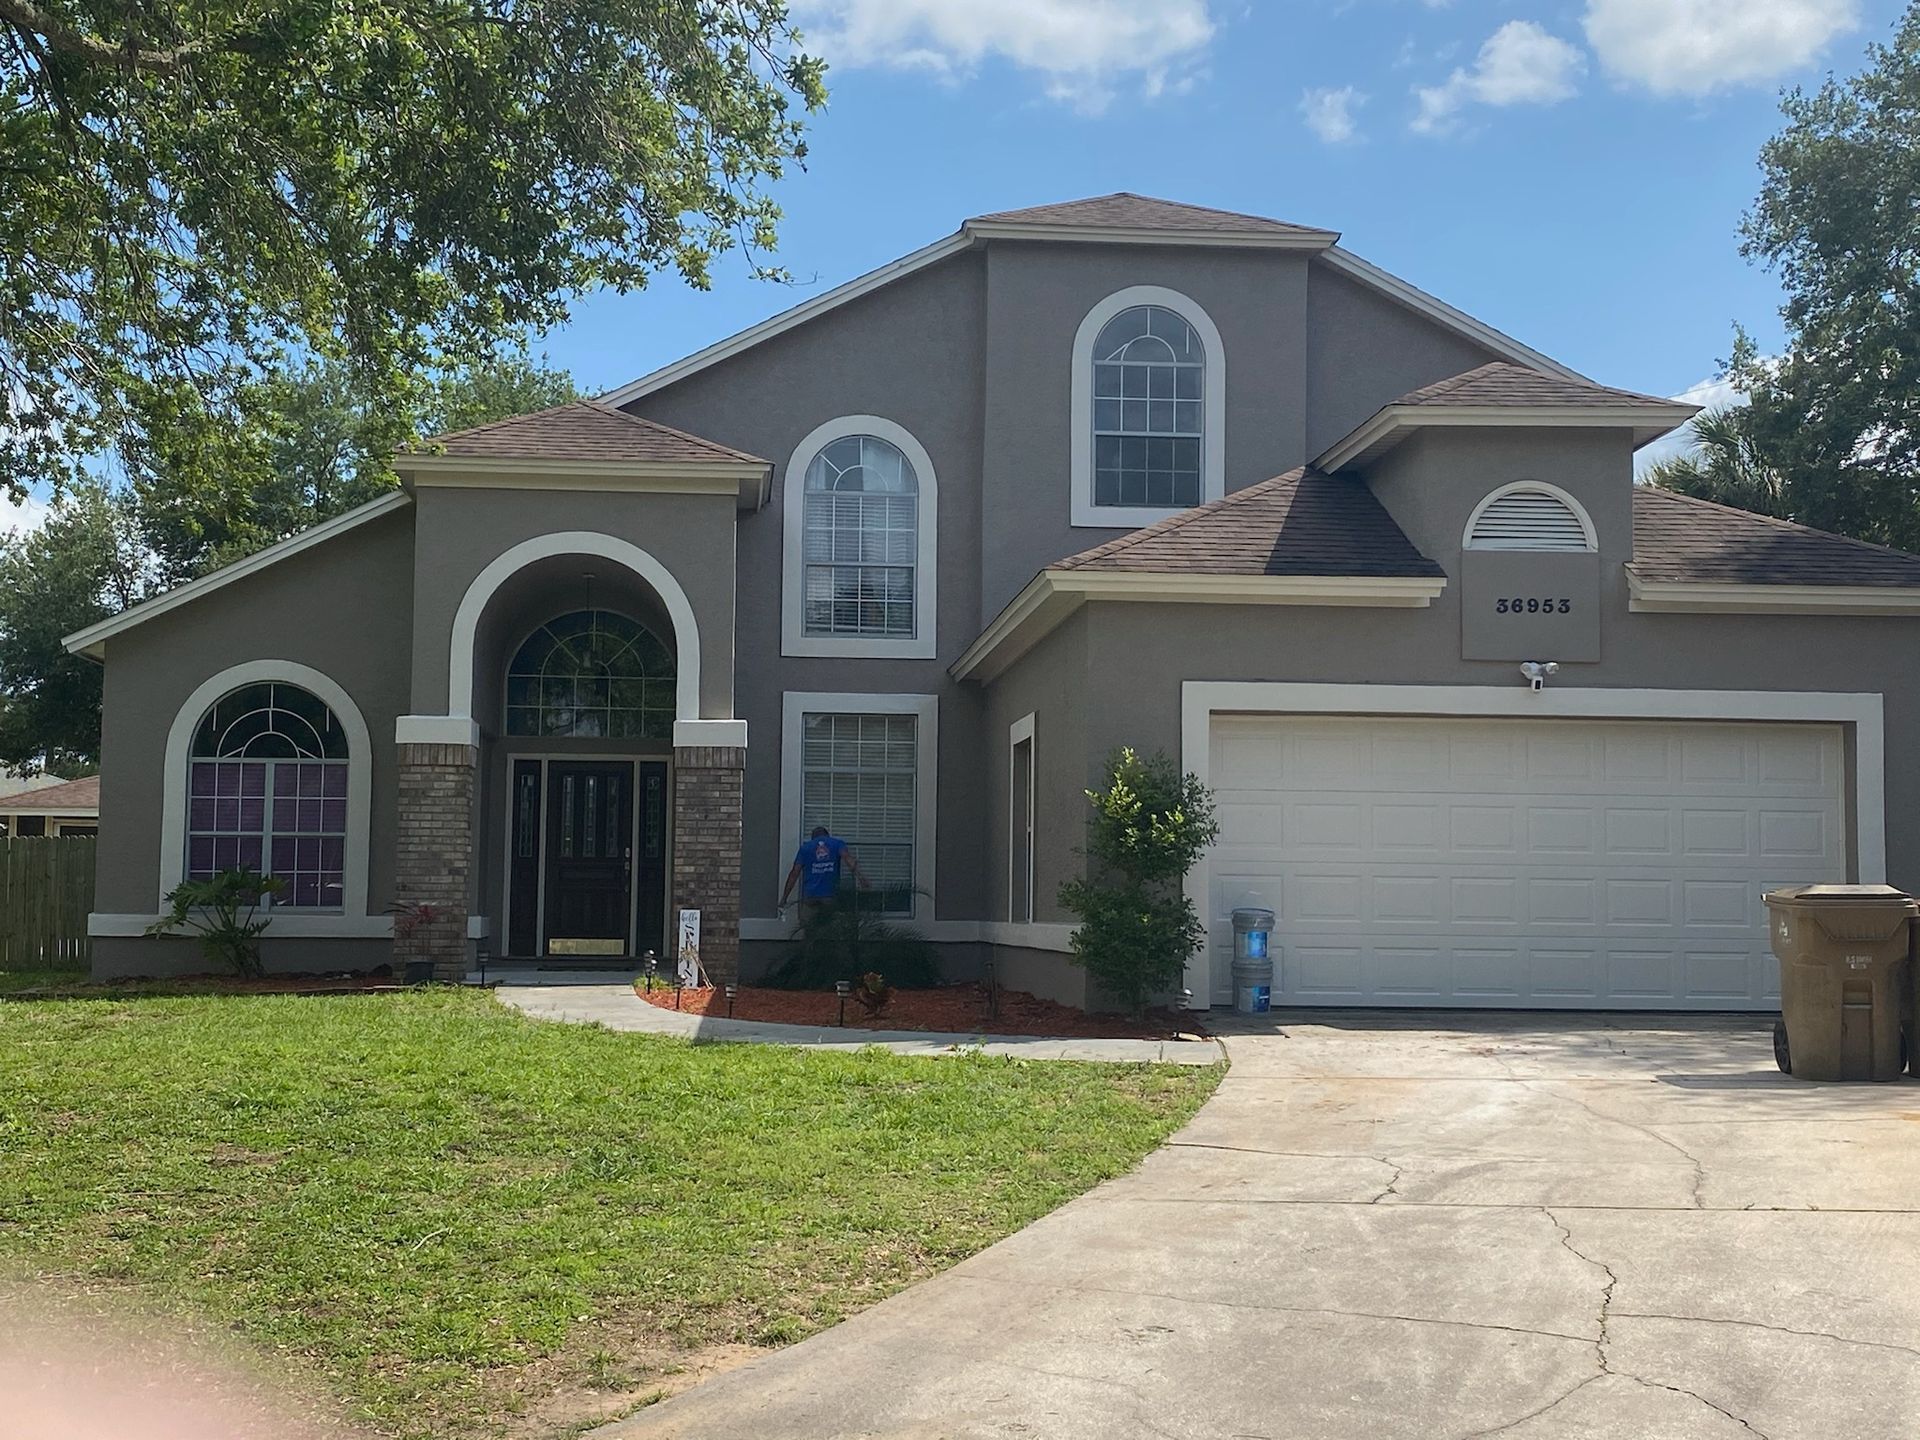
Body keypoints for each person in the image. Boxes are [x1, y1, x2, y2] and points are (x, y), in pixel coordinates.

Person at [780, 825, 869, 915]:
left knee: (809, 926)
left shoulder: (805, 848)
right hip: (829, 894)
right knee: (828, 925)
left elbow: (794, 873)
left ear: (813, 837)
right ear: (827, 835)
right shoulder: (837, 844)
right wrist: (861, 878)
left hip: (810, 895)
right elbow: (848, 860)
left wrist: (784, 897)